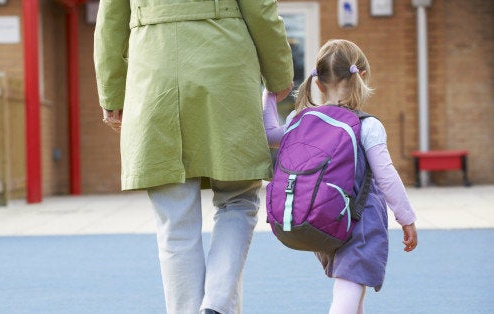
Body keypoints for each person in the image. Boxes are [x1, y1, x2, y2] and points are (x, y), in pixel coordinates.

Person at [94, 0, 294, 313]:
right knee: (237, 198)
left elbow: (110, 21)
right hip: (223, 68)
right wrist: (280, 74)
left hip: (153, 73)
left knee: (174, 218)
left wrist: (111, 91)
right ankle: (217, 302)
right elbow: (261, 9)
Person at [262, 39, 418, 314]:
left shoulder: (300, 118)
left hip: (324, 217)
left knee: (353, 292)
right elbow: (387, 176)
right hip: (360, 220)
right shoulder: (366, 125)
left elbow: (270, 136)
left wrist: (269, 97)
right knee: (348, 290)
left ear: (319, 84)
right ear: (362, 77)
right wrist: (406, 217)